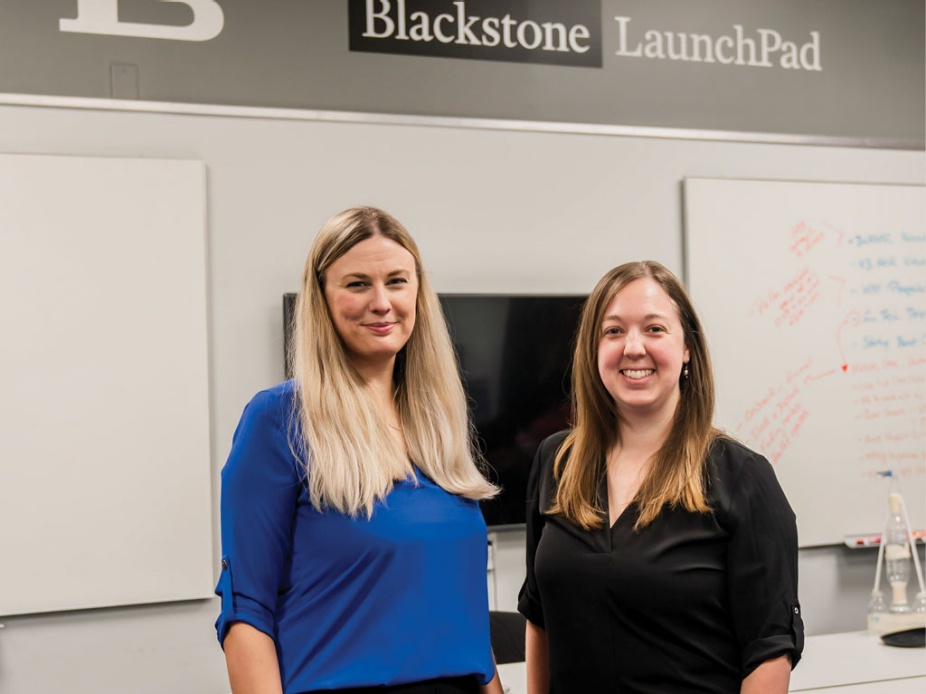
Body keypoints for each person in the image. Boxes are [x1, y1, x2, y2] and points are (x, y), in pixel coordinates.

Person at [215, 207, 505, 694]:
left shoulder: (436, 423)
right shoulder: (279, 419)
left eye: (396, 281)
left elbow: (464, 620)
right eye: (356, 284)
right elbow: (247, 614)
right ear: (322, 299)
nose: (382, 302)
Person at [518, 260, 803, 694]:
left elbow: (769, 653)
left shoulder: (742, 477)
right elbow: (539, 619)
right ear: (593, 349)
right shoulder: (556, 461)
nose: (633, 347)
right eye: (613, 331)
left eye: (654, 328)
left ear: (687, 347)